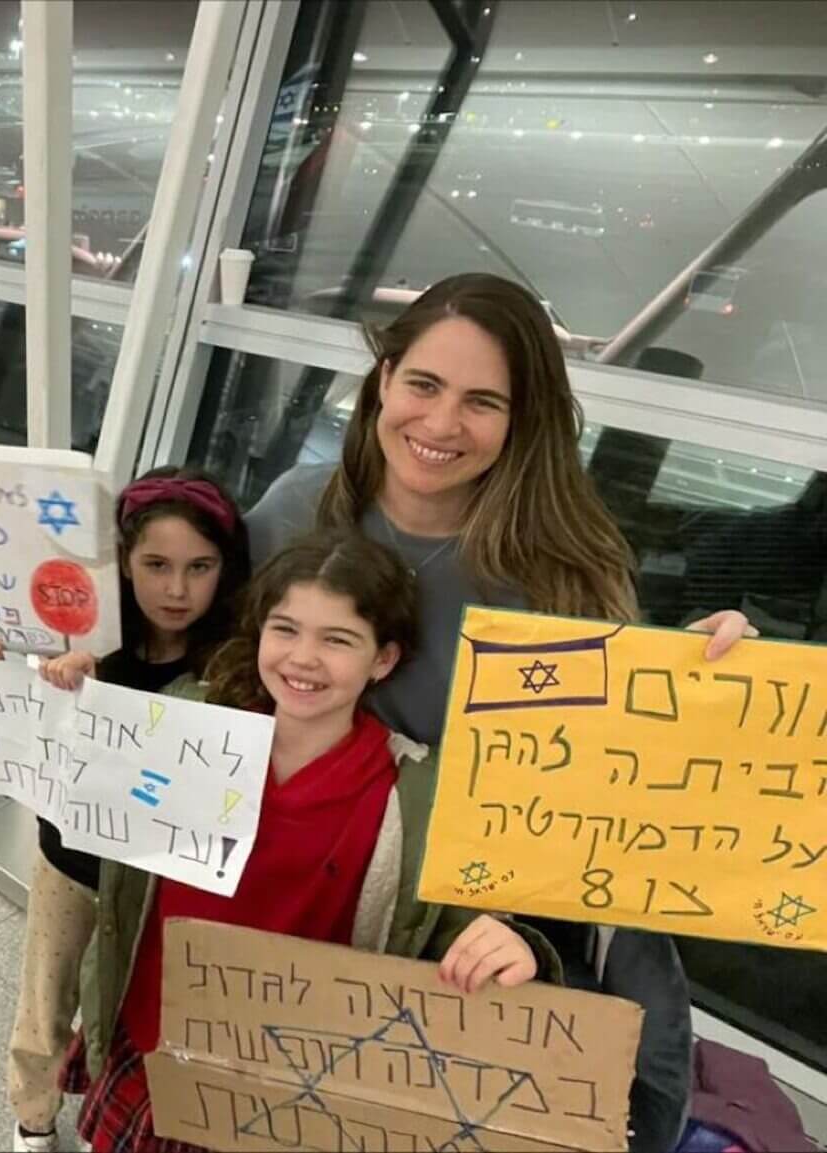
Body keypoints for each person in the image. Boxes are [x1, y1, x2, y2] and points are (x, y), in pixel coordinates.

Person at [242, 272, 752, 1152]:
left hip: (479, 938)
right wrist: (58, 645)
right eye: (424, 385)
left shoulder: (564, 569)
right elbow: (204, 668)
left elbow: (602, 780)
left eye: (483, 401)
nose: (441, 426)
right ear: (383, 379)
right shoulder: (296, 511)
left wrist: (710, 681)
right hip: (313, 903)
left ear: (524, 421)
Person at [72, 534, 560, 1153]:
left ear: (382, 660)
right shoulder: (185, 722)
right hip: (153, 1047)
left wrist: (517, 946)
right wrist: (39, 697)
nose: (303, 658)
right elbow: (93, 857)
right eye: (286, 630)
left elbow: (456, 932)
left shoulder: (416, 795)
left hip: (297, 1100)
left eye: (337, 640)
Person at [0, 467, 250, 1153]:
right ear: (123, 563)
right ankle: (31, 1124)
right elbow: (11, 725)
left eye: (200, 566)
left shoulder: (236, 660)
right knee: (43, 1004)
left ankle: (107, 1121)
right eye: (156, 565)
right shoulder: (78, 638)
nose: (177, 588)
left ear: (225, 569)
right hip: (72, 860)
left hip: (158, 880)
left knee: (129, 1011)